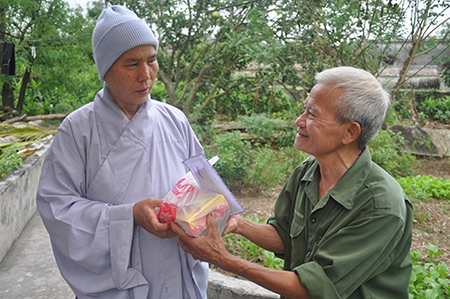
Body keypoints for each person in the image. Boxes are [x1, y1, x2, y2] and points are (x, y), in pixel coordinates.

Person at [173, 66, 413, 299]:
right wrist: (239, 224)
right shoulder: (308, 172)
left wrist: (223, 259)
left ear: (350, 132)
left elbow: (313, 288)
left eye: (313, 114)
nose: (299, 121)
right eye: (304, 110)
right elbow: (284, 236)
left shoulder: (381, 206)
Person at [36, 5, 208, 299]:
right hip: (117, 283)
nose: (146, 75)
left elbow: (203, 182)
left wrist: (201, 210)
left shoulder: (175, 120)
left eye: (152, 60)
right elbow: (57, 208)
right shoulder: (78, 130)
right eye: (132, 64)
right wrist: (128, 216)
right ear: (105, 70)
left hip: (176, 273)